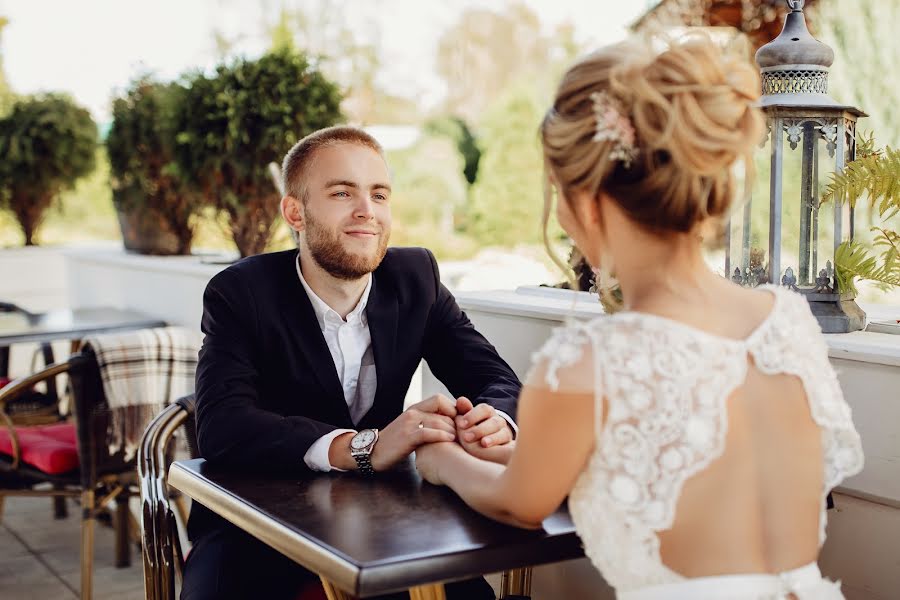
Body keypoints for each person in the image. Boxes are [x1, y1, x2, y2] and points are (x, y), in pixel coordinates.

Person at [414, 34, 864, 600]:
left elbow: (517, 502)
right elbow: (679, 466)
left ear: (586, 201)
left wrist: (442, 462)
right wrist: (517, 450)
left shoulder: (593, 359)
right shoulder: (784, 321)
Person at [181, 126, 521, 600]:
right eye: (343, 193)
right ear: (295, 212)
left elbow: (496, 378)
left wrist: (495, 421)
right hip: (256, 526)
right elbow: (223, 426)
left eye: (379, 194)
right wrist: (363, 447)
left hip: (386, 518)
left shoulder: (416, 278)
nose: (367, 212)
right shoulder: (240, 293)